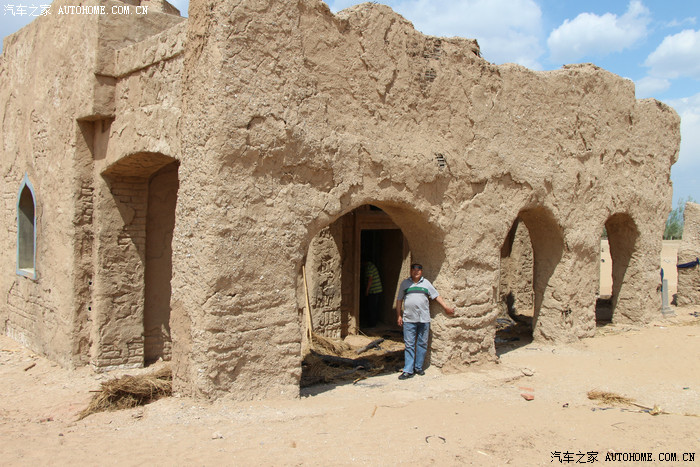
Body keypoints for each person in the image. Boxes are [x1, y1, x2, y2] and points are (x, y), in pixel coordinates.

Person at [396, 263, 455, 379]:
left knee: (422, 344)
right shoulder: (405, 284)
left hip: (424, 319)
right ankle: (408, 370)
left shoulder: (426, 283)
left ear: (421, 272)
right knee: (409, 345)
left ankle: (418, 367)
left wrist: (446, 307)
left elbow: (436, 296)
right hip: (408, 319)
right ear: (410, 271)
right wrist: (399, 315)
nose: (416, 272)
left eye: (418, 270)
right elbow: (399, 300)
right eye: (414, 270)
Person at [362, 260, 383, 327]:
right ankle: (372, 323)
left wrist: (367, 291)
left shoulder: (369, 267)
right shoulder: (370, 266)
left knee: (372, 307)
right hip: (375, 290)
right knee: (372, 307)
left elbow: (370, 280)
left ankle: (372, 324)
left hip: (374, 291)